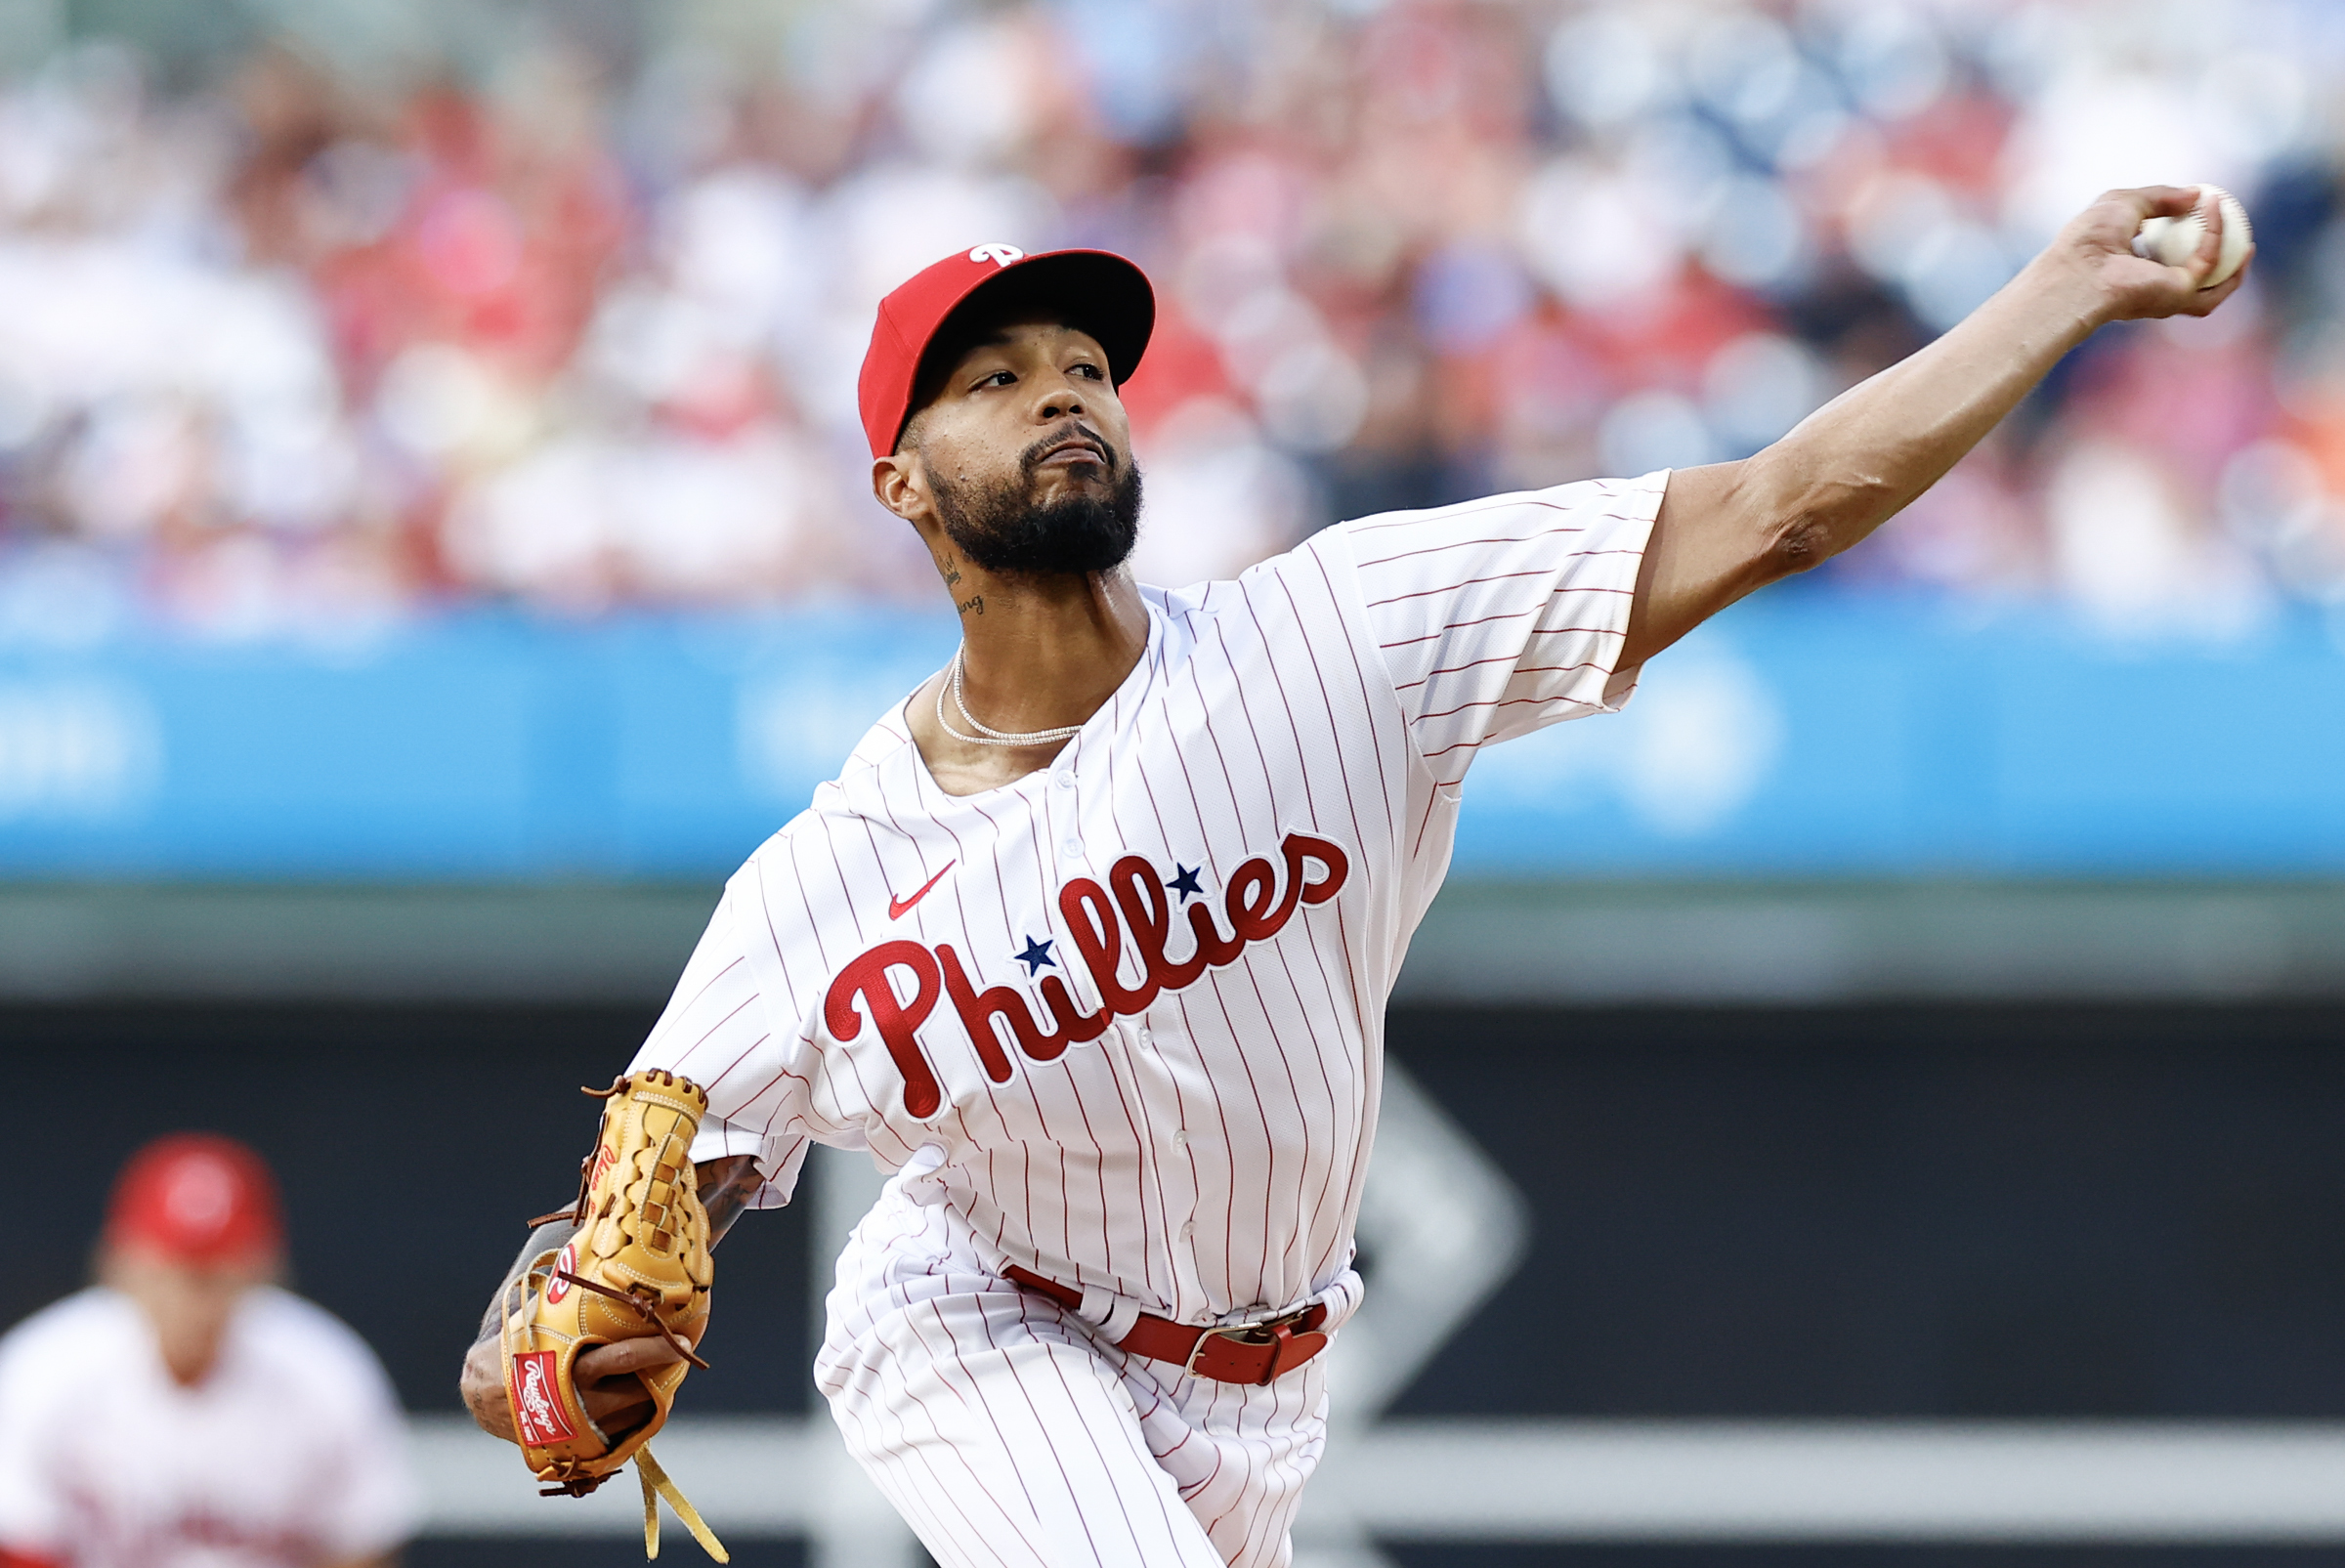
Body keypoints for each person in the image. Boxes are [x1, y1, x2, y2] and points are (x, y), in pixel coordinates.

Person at [461, 189, 2247, 1566]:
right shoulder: (819, 887)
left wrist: (2067, 283)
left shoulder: (1344, 641)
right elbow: (626, 1211)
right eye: (994, 381)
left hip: (1271, 1376)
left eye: (1086, 366)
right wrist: (514, 1349)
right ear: (904, 483)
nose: (1063, 397)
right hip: (977, 1326)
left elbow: (1777, 504)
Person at [0, 1135, 414, 1568]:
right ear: (120, 1263)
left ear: (263, 1268)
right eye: (172, 1269)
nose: (190, 1297)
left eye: (216, 1271)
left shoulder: (328, 1371)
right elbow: (19, 1547)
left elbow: (361, 1549)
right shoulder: (42, 1370)